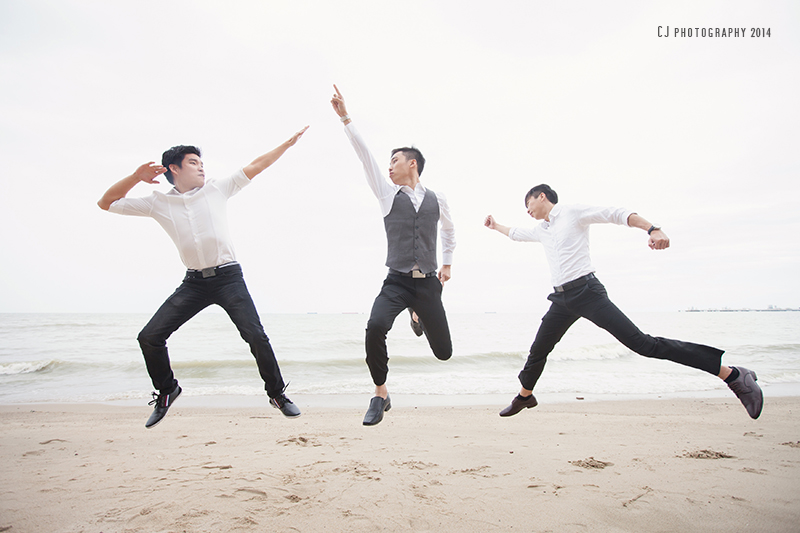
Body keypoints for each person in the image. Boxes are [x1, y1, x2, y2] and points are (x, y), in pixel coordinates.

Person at [484, 184, 763, 419]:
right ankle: (525, 396)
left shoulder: (572, 212)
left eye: (528, 203)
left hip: (587, 292)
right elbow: (517, 234)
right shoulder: (543, 230)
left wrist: (653, 229)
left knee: (644, 345)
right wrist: (496, 226)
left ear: (542, 196)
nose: (527, 210)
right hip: (562, 299)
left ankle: (732, 375)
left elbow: (616, 214)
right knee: (538, 349)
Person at [97, 126, 308, 428]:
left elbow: (257, 165)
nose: (201, 167)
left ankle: (277, 394)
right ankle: (168, 391)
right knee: (150, 337)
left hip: (228, 278)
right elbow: (106, 203)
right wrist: (135, 178)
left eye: (201, 163)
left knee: (256, 336)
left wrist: (287, 143)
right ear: (174, 168)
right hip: (194, 283)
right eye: (194, 163)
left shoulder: (217, 188)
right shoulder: (158, 202)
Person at [330, 85, 456, 426]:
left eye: (395, 161)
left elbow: (448, 230)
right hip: (396, 281)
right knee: (375, 327)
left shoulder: (437, 198)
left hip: (428, 284)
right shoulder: (387, 194)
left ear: (411, 164)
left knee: (444, 352)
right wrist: (345, 117)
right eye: (388, 162)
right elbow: (364, 154)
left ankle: (417, 316)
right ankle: (380, 394)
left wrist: (446, 263)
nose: (388, 166)